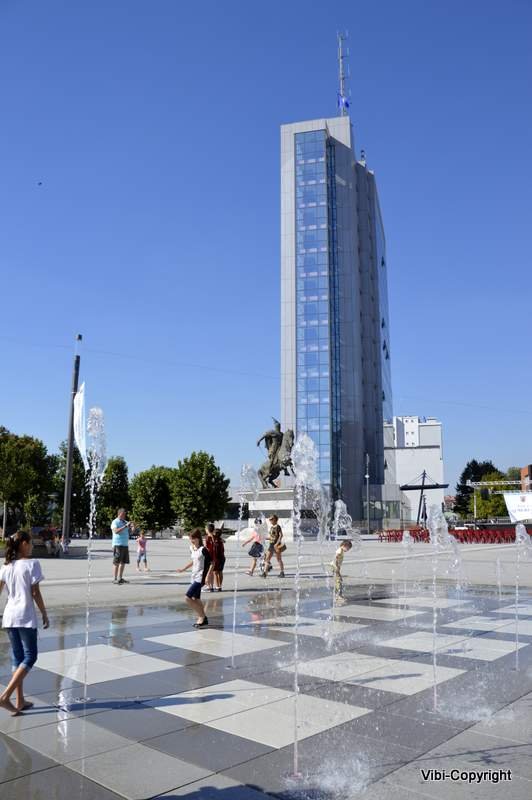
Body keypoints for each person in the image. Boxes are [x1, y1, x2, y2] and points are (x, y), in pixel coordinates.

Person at [0, 531, 49, 716]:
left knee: (18, 657)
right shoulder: (32, 564)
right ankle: (5, 696)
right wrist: (44, 613)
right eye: (30, 543)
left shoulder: (6, 566)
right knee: (30, 656)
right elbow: (35, 593)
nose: (32, 546)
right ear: (23, 544)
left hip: (9, 616)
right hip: (25, 616)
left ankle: (19, 700)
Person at [177, 529, 210, 628]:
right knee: (196, 598)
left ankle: (201, 616)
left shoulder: (203, 550)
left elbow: (212, 563)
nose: (191, 541)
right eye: (190, 539)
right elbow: (194, 561)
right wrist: (183, 569)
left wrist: (207, 576)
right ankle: (204, 619)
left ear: (198, 538)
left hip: (200, 577)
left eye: (193, 539)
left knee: (188, 598)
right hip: (194, 576)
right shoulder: (192, 548)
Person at [111, 508, 131, 584]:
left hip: (125, 544)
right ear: (119, 514)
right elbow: (116, 531)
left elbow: (130, 532)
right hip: (117, 544)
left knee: (123, 562)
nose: (124, 515)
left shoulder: (125, 522)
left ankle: (120, 578)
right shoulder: (115, 522)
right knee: (116, 562)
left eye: (125, 514)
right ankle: (115, 578)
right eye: (123, 514)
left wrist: (133, 527)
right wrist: (125, 526)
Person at [331, 539, 352, 605]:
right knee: (338, 581)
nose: (347, 550)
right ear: (343, 546)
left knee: (339, 581)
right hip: (335, 567)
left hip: (336, 567)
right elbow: (335, 558)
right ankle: (338, 596)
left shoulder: (341, 550)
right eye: (347, 548)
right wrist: (337, 567)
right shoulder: (339, 551)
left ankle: (338, 595)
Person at [204, 523, 216, 591]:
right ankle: (211, 586)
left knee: (208, 572)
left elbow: (206, 548)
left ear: (207, 530)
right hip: (214, 556)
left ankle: (209, 586)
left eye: (205, 529)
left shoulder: (207, 538)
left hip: (209, 556)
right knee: (211, 572)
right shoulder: (214, 537)